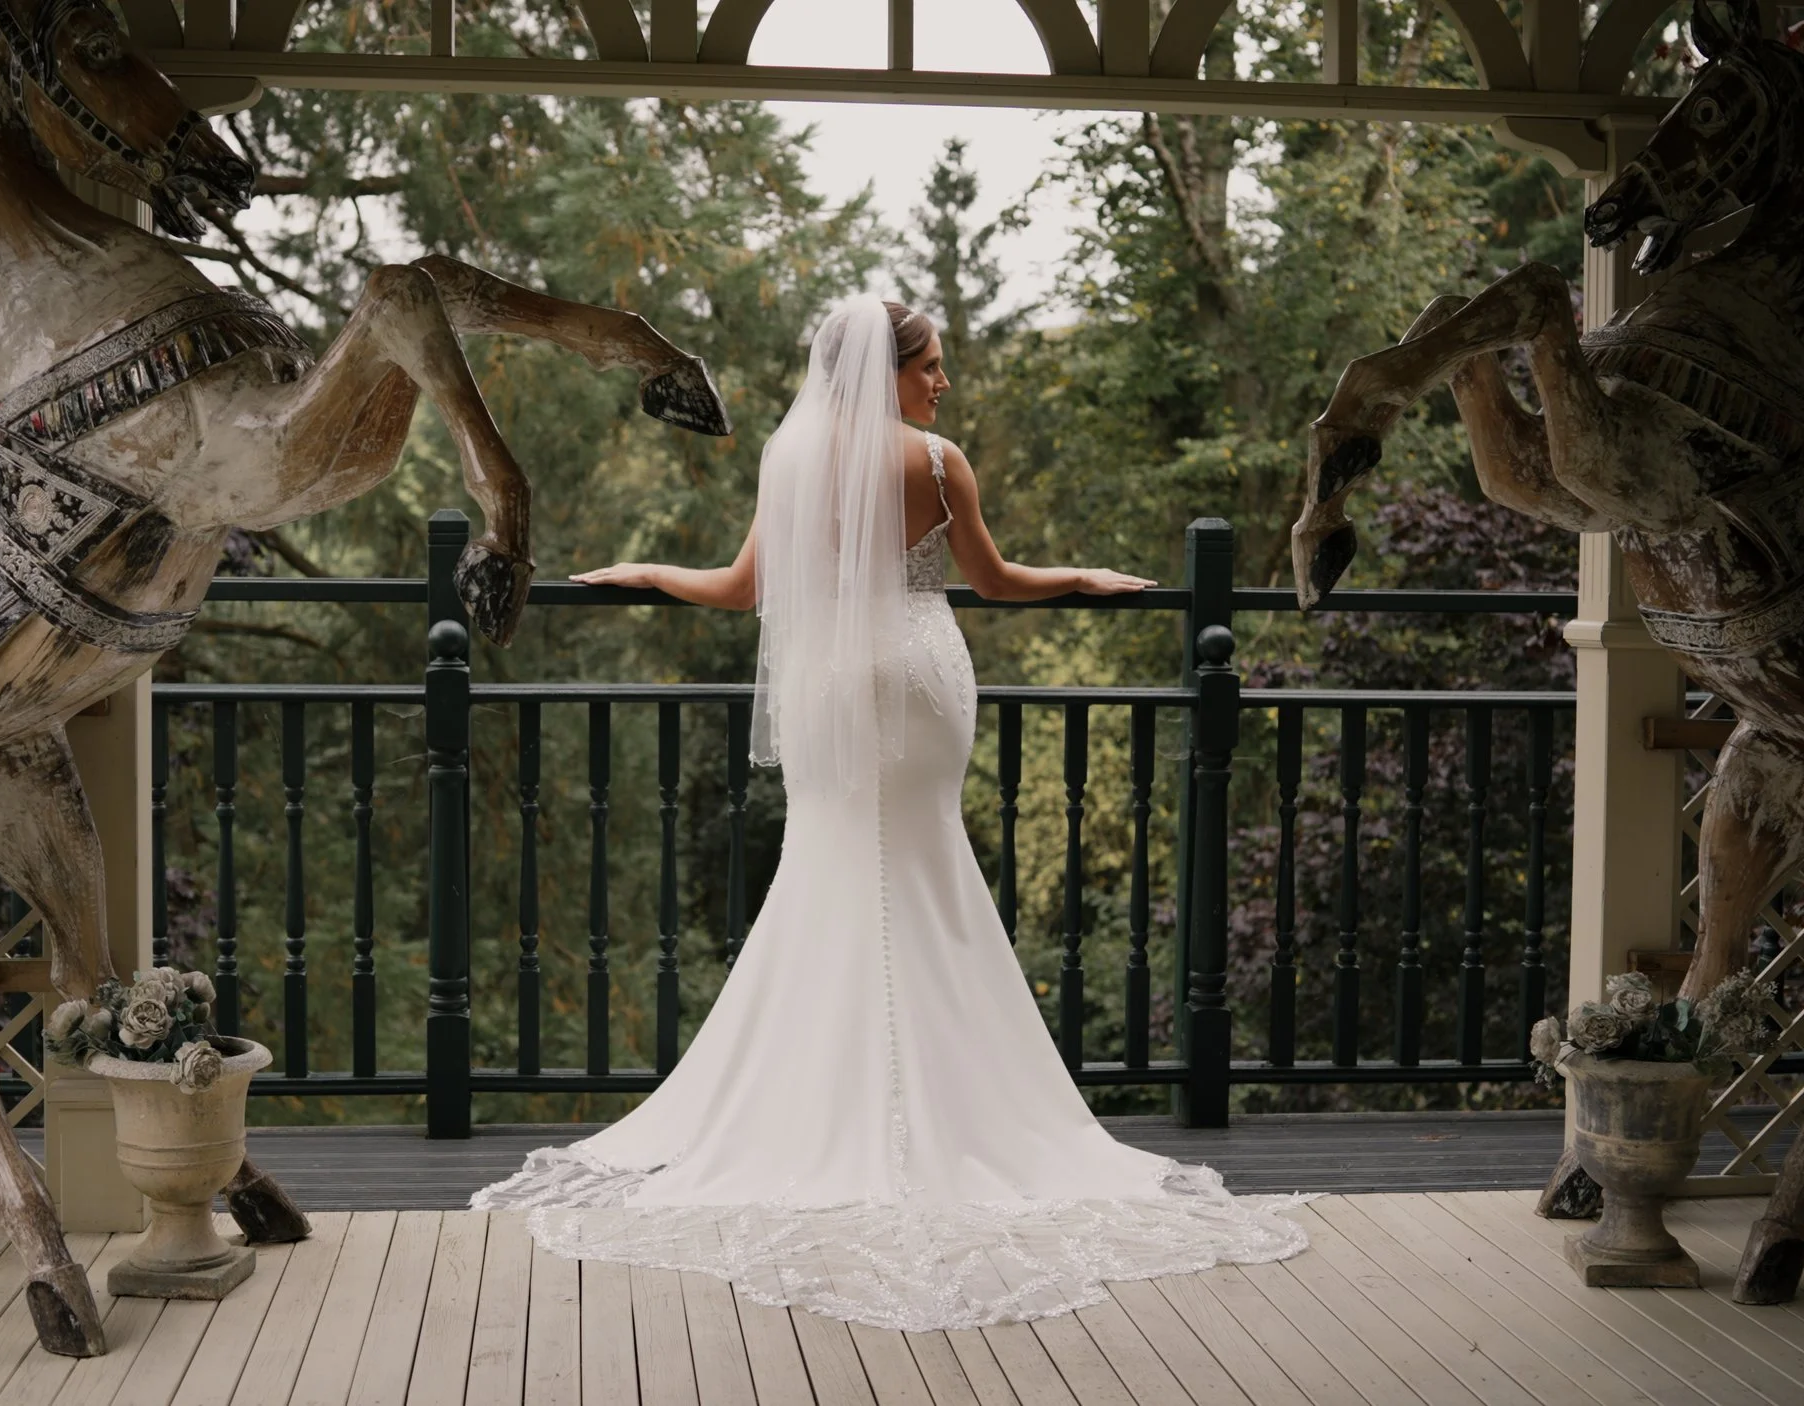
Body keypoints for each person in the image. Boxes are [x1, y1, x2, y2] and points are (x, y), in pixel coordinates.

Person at [469, 295, 1312, 1332]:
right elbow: (994, 583)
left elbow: (741, 590)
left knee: (827, 874)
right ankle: (956, 1106)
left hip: (827, 686)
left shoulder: (793, 463)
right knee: (920, 874)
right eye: (930, 367)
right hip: (917, 675)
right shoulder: (937, 462)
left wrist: (644, 571)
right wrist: (1082, 575)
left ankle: (826, 1106)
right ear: (889, 369)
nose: (941, 382)